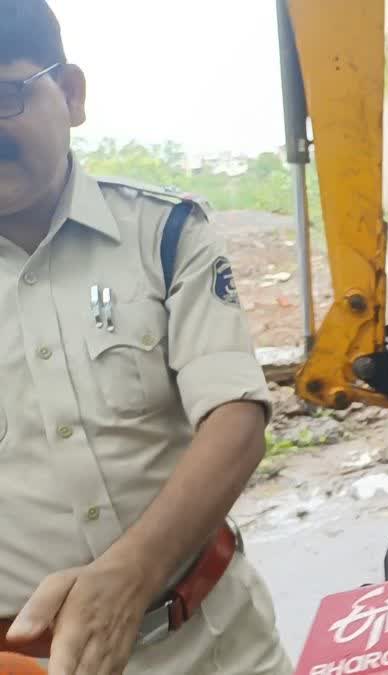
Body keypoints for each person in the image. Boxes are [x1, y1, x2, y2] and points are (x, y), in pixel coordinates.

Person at [0, 2, 291, 673]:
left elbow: (236, 417)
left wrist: (127, 577)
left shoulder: (164, 234)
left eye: (5, 94)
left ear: (70, 93)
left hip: (219, 647)